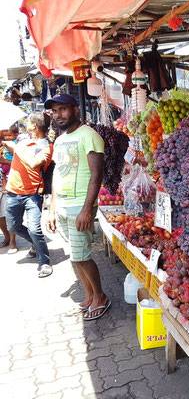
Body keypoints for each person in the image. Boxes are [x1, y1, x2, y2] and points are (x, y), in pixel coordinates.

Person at [45, 94, 111, 320]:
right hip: (63, 205)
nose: (58, 115)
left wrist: (86, 209)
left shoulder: (89, 136)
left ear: (74, 110)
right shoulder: (60, 140)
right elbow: (57, 175)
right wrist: (52, 209)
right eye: (55, 111)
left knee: (82, 255)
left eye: (63, 109)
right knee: (75, 255)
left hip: (79, 204)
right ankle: (89, 296)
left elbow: (97, 174)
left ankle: (100, 297)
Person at [3, 113, 52, 277]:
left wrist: (17, 149)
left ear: (35, 126)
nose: (26, 125)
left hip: (33, 194)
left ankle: (44, 262)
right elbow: (13, 155)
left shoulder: (47, 147)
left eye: (29, 122)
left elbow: (34, 163)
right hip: (13, 192)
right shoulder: (22, 141)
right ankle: (35, 243)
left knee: (34, 228)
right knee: (13, 227)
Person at [0, 127, 18, 253]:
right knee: (1, 216)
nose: (6, 139)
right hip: (2, 181)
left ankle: (13, 241)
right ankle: (6, 237)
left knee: (8, 213)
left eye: (8, 136)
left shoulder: (14, 146)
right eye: (3, 137)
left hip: (9, 182)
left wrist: (4, 160)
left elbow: (19, 162)